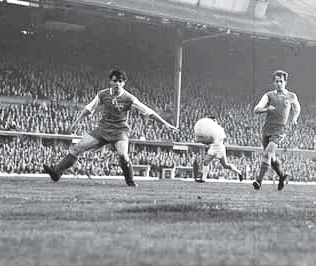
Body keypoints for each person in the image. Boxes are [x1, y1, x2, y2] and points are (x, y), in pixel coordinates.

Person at [42, 69, 177, 186]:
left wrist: (165, 124)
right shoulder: (103, 94)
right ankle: (56, 173)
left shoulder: (129, 98)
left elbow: (148, 111)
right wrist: (76, 121)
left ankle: (130, 181)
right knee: (77, 148)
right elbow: (89, 108)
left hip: (120, 131)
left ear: (124, 83)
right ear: (110, 82)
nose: (117, 83)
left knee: (123, 155)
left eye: (120, 81)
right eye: (115, 81)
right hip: (103, 129)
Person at [252, 69, 301, 191]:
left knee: (267, 154)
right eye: (276, 81)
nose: (279, 84)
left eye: (281, 81)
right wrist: (267, 109)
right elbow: (256, 109)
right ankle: (282, 176)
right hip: (267, 130)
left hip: (280, 130)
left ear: (285, 82)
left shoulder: (291, 96)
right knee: (271, 158)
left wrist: (294, 118)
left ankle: (258, 181)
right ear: (273, 83)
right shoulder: (268, 95)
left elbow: (297, 108)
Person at [192, 117, 244, 182]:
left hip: (219, 147)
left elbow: (221, 137)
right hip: (214, 147)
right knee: (206, 162)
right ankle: (203, 179)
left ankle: (239, 172)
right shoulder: (211, 129)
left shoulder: (219, 128)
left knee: (225, 165)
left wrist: (208, 141)